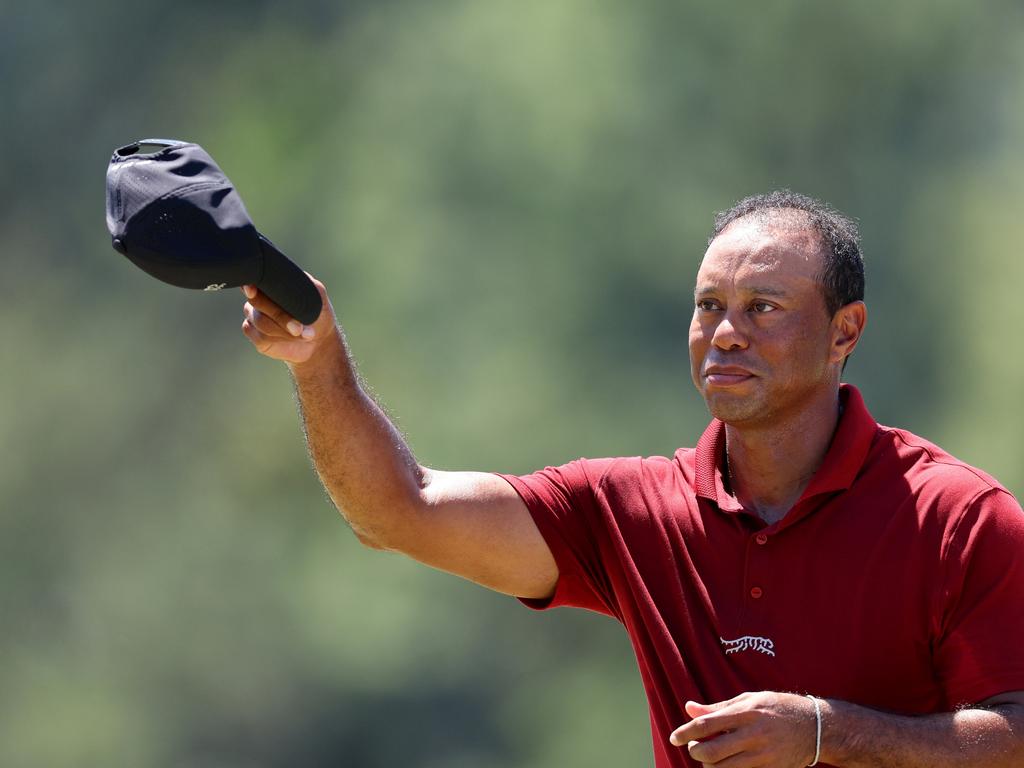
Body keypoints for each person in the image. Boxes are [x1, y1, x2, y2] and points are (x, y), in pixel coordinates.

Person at [240, 190, 1024, 768]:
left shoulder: (960, 518)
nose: (724, 334)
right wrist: (318, 359)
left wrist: (826, 732)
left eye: (763, 308)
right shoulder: (633, 510)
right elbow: (399, 511)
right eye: (708, 305)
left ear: (843, 332)